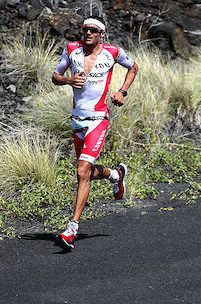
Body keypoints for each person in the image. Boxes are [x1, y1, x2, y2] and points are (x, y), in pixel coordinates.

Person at [52, 15, 139, 250]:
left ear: (101, 33)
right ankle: (115, 175)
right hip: (77, 119)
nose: (88, 33)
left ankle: (72, 229)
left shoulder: (112, 52)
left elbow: (133, 67)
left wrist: (122, 91)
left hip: (98, 119)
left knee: (81, 171)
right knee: (87, 173)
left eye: (93, 30)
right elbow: (55, 76)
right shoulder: (72, 50)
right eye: (85, 29)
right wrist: (68, 79)